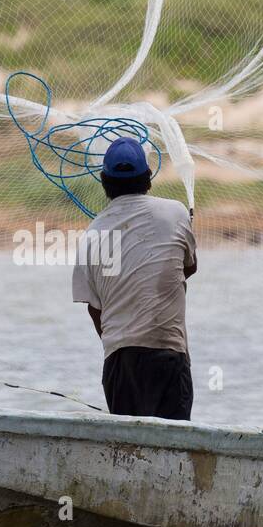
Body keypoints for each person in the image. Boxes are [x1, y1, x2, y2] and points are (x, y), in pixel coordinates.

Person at [71, 136, 196, 420]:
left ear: (104, 182)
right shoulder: (176, 213)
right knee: (173, 450)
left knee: (130, 452)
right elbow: (189, 267)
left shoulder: (91, 235)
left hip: (119, 362)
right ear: (148, 179)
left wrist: (121, 344)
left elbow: (95, 310)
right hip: (169, 355)